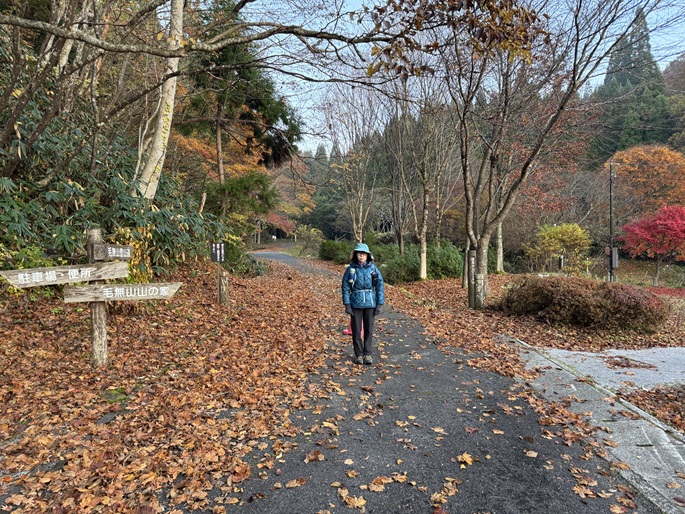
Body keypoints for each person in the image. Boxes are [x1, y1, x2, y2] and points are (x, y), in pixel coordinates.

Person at [341, 243, 385, 365]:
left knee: (369, 329)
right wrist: (347, 304)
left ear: (368, 256)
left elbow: (380, 286)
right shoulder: (350, 270)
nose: (361, 256)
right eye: (359, 254)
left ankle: (367, 354)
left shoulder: (373, 269)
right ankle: (359, 354)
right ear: (356, 255)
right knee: (356, 330)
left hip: (370, 303)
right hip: (355, 303)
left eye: (363, 254)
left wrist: (379, 303)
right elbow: (345, 287)